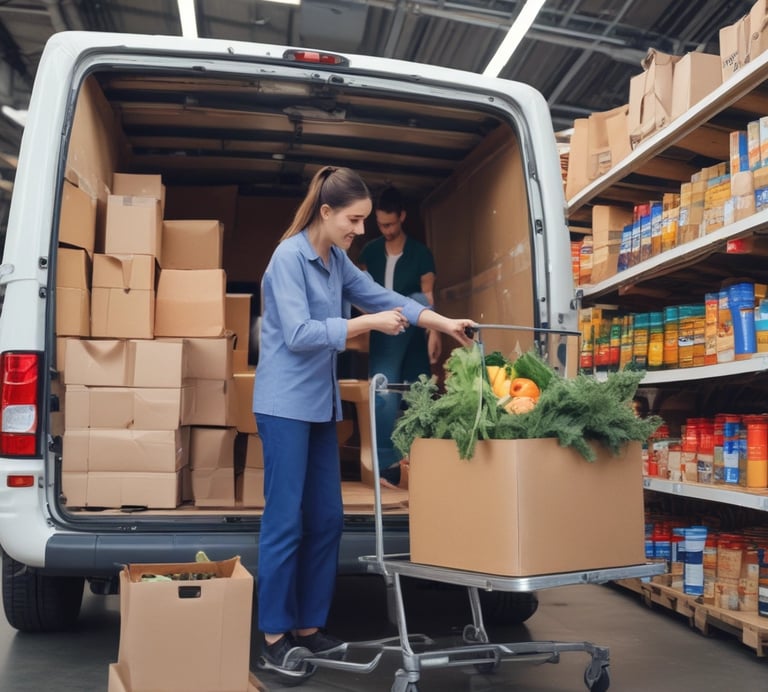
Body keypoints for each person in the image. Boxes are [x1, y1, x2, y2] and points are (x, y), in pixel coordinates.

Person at [252, 165, 476, 673]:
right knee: (285, 520)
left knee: (328, 519)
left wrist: (444, 322)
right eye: (353, 220)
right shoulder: (288, 259)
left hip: (318, 405)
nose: (361, 230)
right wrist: (365, 324)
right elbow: (299, 335)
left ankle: (309, 628)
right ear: (326, 212)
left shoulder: (336, 261)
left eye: (364, 221)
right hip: (283, 406)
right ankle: (274, 638)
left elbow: (387, 298)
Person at [358, 186, 440, 486]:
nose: (386, 230)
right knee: (384, 394)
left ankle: (422, 463)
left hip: (413, 332)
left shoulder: (420, 253)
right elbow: (359, 293)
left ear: (402, 217)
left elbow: (427, 298)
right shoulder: (369, 252)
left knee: (417, 392)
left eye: (390, 224)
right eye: (381, 225)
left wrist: (434, 332)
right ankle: (386, 465)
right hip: (384, 330)